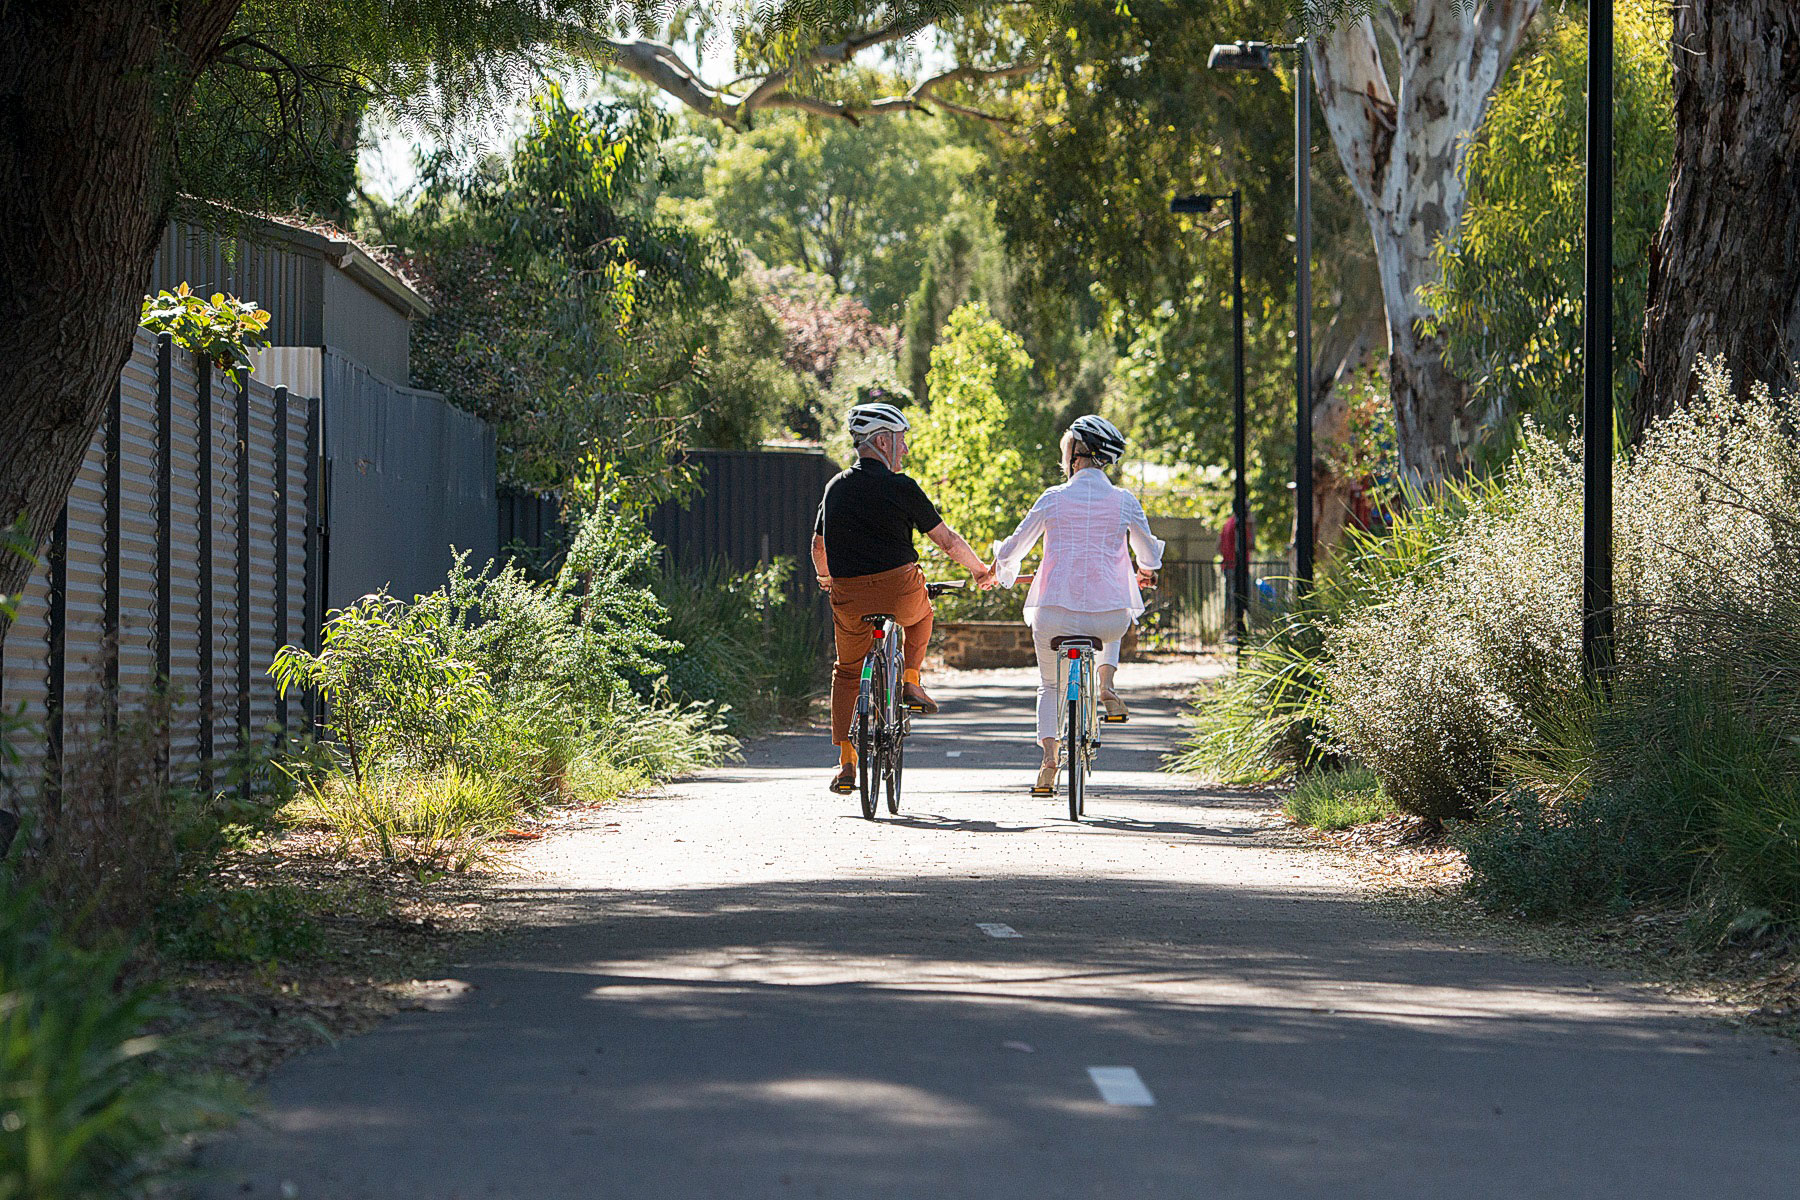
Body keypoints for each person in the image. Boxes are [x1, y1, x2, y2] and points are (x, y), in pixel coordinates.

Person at [811, 400, 995, 795]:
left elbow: (818, 547)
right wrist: (980, 570)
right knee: (922, 615)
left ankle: (846, 761)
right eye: (901, 440)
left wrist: (826, 581)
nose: (905, 449)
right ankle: (910, 681)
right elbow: (946, 541)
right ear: (881, 441)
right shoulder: (902, 487)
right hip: (899, 590)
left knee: (846, 671)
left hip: (848, 597)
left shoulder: (835, 487)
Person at [991, 415, 1164, 795]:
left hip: (1054, 614)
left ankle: (1049, 762)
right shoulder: (1124, 501)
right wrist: (1146, 571)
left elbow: (1011, 550)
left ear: (1076, 453)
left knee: (1049, 683)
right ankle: (1106, 684)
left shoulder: (1053, 498)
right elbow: (1149, 554)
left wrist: (1000, 569)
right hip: (1109, 622)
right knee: (1117, 609)